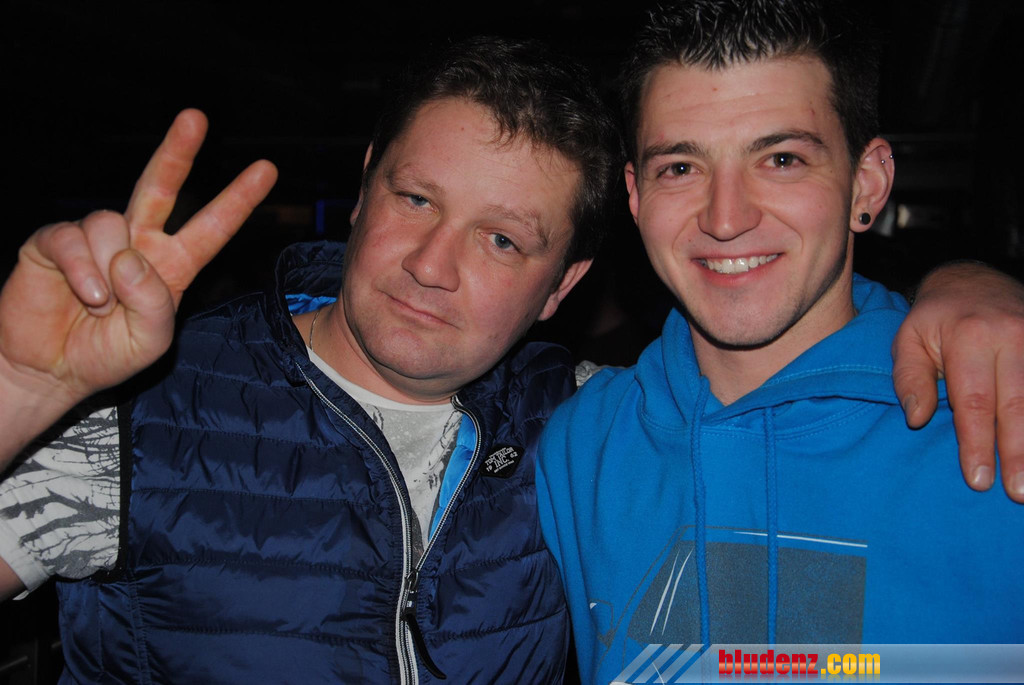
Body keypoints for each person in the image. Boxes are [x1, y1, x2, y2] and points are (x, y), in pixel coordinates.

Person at [0, 31, 1020, 685]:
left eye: (502, 239)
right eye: (416, 200)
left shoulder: (572, 422)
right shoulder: (137, 421)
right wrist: (18, 390)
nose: (432, 265)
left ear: (562, 286)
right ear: (366, 185)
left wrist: (970, 282)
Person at [535, 2, 1024, 682]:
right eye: (680, 167)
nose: (726, 218)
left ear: (867, 183)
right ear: (636, 196)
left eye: (782, 158)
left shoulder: (996, 415)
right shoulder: (579, 444)